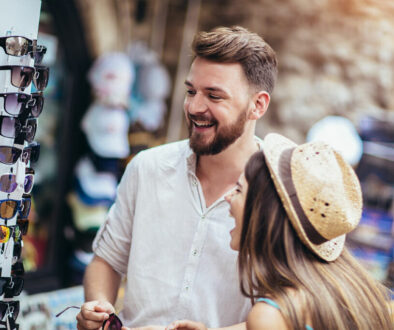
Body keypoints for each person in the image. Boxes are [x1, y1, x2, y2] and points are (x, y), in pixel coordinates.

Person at [76, 26, 278, 330]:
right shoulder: (146, 168)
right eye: (191, 91)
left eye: (214, 95)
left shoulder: (280, 196)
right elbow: (106, 260)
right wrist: (97, 306)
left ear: (257, 105)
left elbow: (289, 310)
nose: (195, 107)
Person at [167, 133, 393, 329]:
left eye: (239, 189)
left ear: (262, 210)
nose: (228, 197)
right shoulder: (350, 290)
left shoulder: (272, 315)